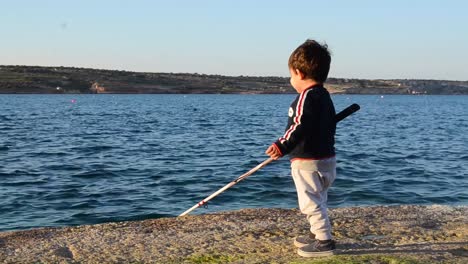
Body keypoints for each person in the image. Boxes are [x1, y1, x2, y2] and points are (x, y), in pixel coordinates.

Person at [265, 39, 337, 257]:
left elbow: (298, 124)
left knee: (310, 204)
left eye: (291, 75)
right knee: (319, 199)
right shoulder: (324, 96)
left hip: (307, 162)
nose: (291, 80)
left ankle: (324, 242)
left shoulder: (305, 97)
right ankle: (318, 234)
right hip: (327, 159)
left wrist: (281, 145)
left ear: (299, 72)